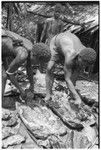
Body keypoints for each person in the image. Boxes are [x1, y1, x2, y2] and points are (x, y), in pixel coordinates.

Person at [45, 31, 96, 106]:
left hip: (67, 44)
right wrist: (77, 97)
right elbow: (67, 79)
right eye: (82, 63)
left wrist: (73, 94)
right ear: (79, 56)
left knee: (76, 69)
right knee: (50, 68)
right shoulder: (70, 55)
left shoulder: (86, 53)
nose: (82, 66)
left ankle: (70, 95)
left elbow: (74, 77)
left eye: (85, 65)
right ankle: (48, 94)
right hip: (56, 43)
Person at [2, 29, 34, 101]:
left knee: (5, 75)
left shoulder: (30, 47)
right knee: (3, 77)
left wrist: (32, 85)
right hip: (2, 44)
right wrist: (21, 90)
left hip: (5, 49)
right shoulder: (23, 54)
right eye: (37, 62)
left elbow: (29, 67)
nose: (35, 64)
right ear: (36, 56)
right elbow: (9, 73)